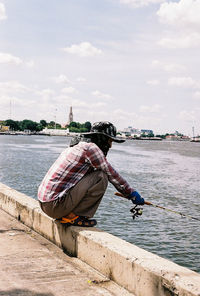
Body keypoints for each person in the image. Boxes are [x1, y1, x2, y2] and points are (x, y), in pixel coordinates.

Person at [38, 121, 145, 227]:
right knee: (101, 177)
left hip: (45, 204)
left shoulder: (77, 146)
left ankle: (70, 215)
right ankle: (74, 216)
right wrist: (131, 194)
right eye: (110, 141)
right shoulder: (91, 149)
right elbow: (112, 174)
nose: (111, 146)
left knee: (96, 173)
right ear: (102, 138)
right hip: (54, 206)